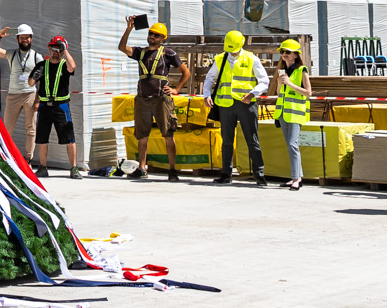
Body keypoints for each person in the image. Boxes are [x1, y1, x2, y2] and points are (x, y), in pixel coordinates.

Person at [119, 17, 189, 181]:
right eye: (151, 34)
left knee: (168, 136)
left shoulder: (167, 53)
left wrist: (176, 89)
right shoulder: (140, 52)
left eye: (156, 35)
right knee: (142, 137)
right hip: (143, 99)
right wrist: (129, 28)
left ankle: (172, 170)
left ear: (163, 38)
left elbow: (186, 72)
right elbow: (122, 47)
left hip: (161, 100)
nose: (152, 37)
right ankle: (142, 168)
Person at [203, 29, 268, 186]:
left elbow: (264, 81)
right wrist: (206, 95)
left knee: (252, 139)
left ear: (241, 45)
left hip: (246, 104)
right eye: (229, 49)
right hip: (225, 105)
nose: (231, 53)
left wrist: (253, 93)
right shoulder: (220, 59)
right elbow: (210, 78)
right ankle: (226, 173)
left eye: (234, 50)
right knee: (227, 141)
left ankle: (259, 174)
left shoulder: (251, 59)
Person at [34, 33, 83, 181]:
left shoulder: (64, 64)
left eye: (58, 49)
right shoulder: (43, 65)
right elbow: (34, 83)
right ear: (49, 49)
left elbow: (72, 66)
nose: (55, 51)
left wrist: (65, 49)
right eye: (53, 48)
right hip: (44, 106)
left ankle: (73, 168)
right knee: (42, 139)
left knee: (69, 138)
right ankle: (43, 168)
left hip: (61, 107)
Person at [0, 23, 40, 160]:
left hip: (30, 94)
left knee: (30, 130)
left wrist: (38, 100)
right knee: (6, 129)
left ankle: (28, 159)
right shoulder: (12, 54)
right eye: (22, 37)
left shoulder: (37, 57)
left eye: (27, 37)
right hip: (13, 95)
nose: (25, 40)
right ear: (17, 39)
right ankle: (4, 158)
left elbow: (44, 80)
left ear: (31, 39)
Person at [267, 38, 312, 191]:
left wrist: (290, 83)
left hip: (295, 114)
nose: (284, 55)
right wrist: (280, 83)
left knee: (293, 145)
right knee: (290, 145)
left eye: (287, 52)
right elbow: (280, 94)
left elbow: (308, 93)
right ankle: (295, 177)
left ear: (295, 55)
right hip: (284, 114)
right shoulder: (284, 71)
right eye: (282, 52)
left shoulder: (301, 70)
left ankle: (297, 178)